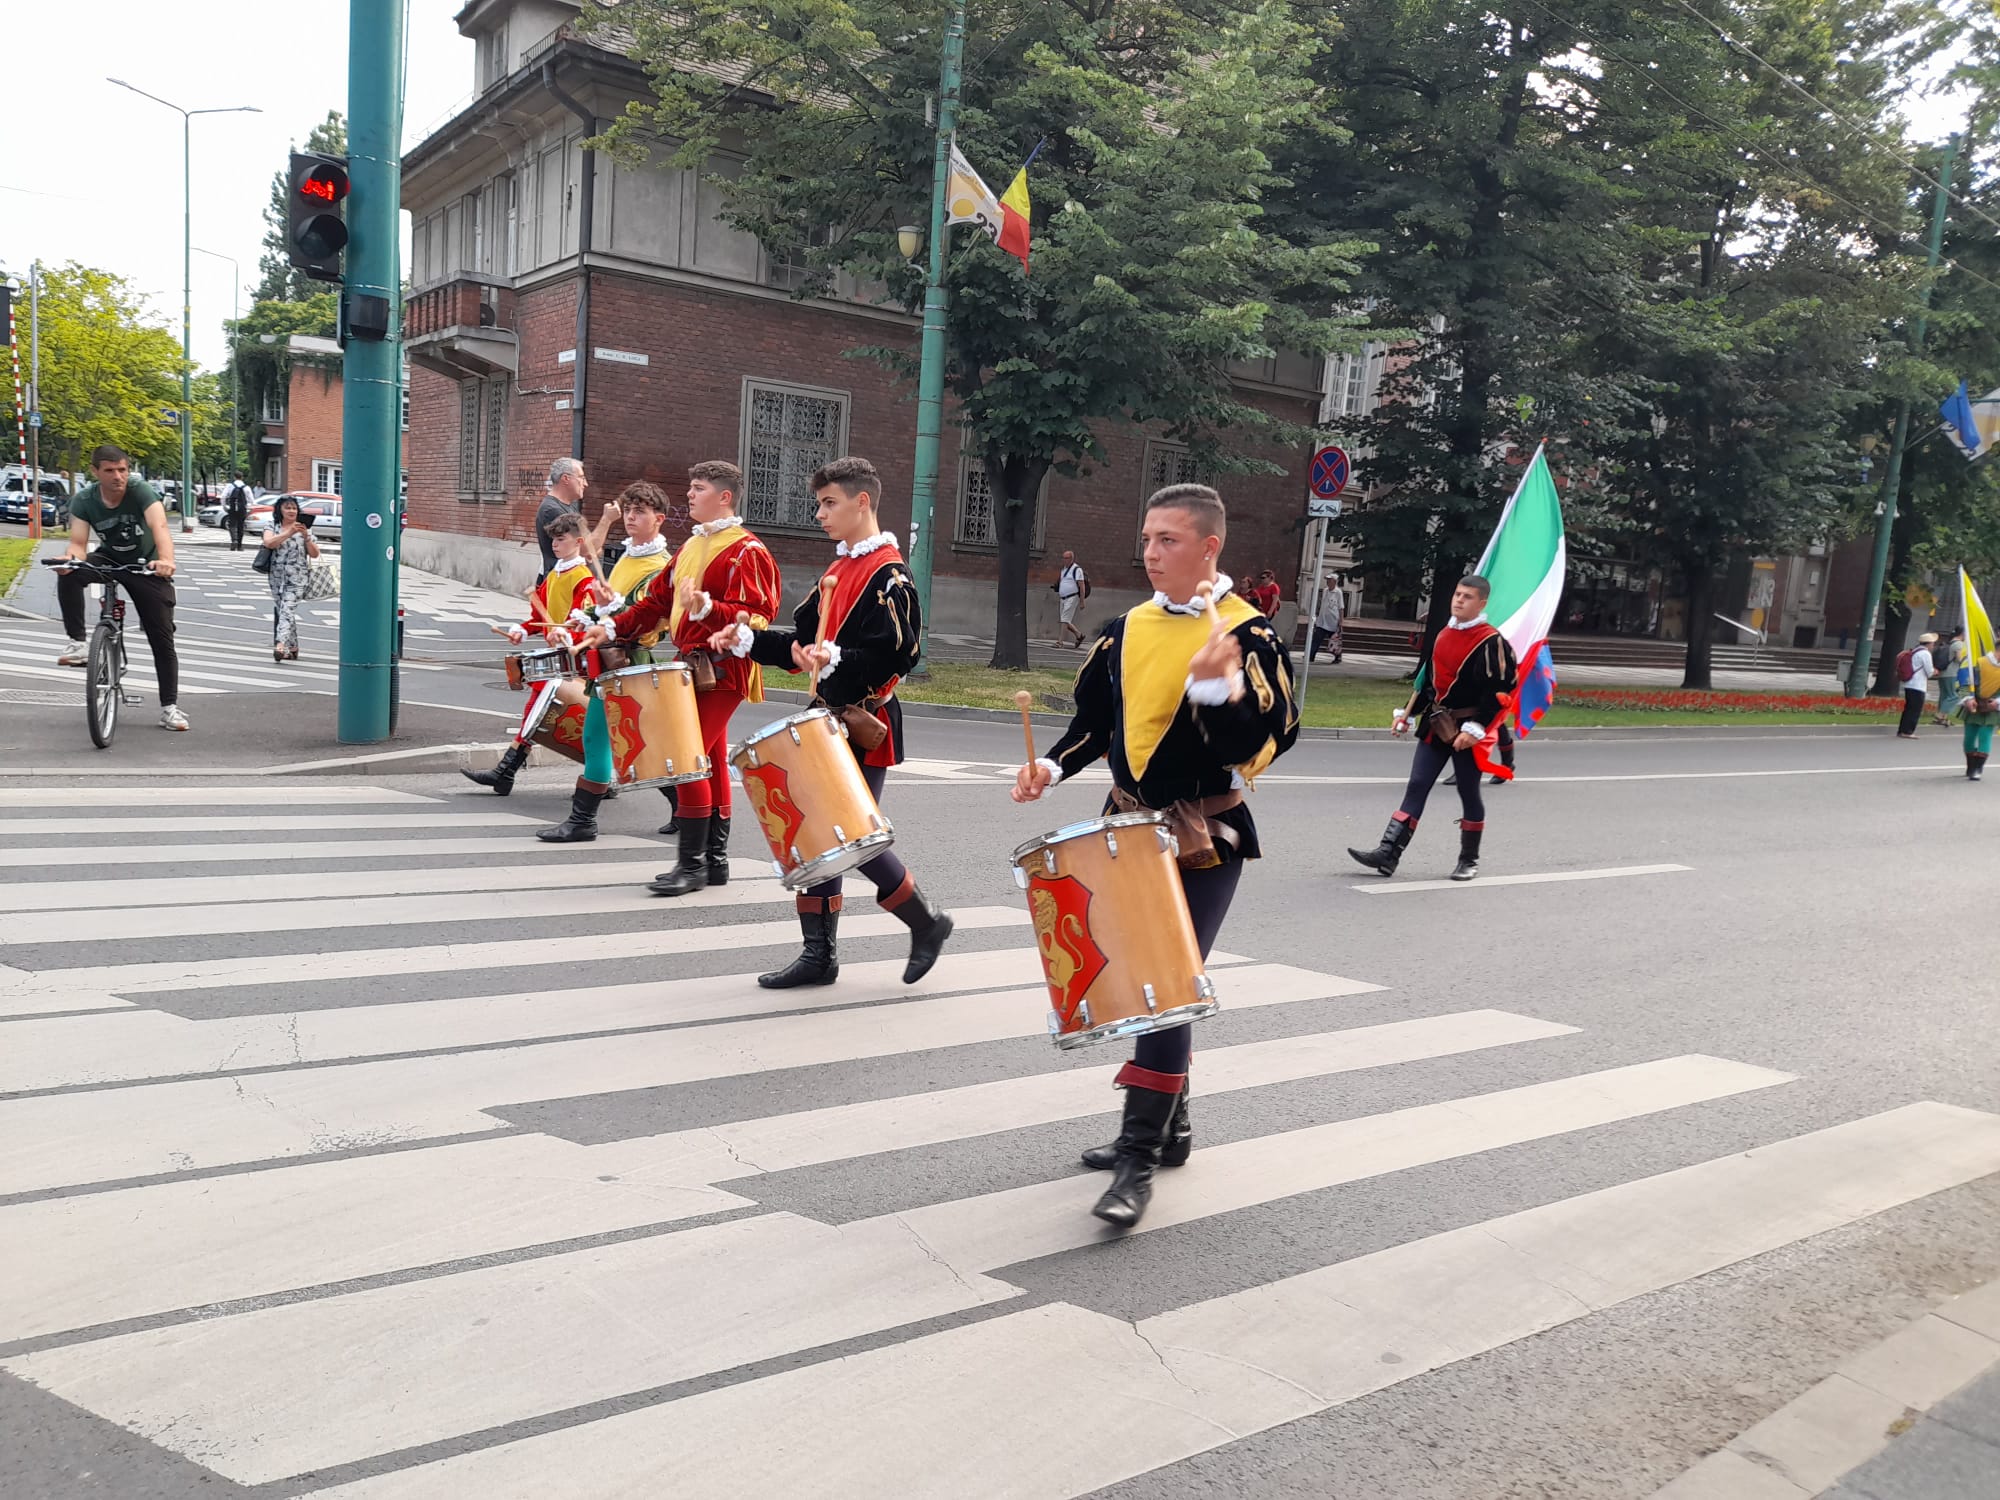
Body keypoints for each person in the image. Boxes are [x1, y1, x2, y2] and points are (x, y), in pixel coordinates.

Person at [1013, 482, 1298, 1229]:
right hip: (1128, 830)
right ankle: (1170, 1130)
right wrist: (1052, 766)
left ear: (1210, 549)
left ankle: (1137, 1154)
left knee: (1161, 987)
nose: (1150, 553)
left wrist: (1219, 693)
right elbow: (1094, 723)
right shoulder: (1124, 629)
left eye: (1168, 540)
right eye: (1146, 539)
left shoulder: (1247, 634)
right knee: (1153, 982)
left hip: (1206, 835)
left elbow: (1265, 742)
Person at [706, 455, 954, 988]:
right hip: (825, 722)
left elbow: (901, 652)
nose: (819, 514)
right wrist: (746, 640)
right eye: (819, 503)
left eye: (829, 503)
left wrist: (836, 657)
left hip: (865, 721)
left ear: (862, 502)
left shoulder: (889, 573)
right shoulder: (839, 568)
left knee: (847, 836)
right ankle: (820, 956)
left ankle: (926, 923)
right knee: (817, 836)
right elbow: (799, 644)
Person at [581, 461, 782, 889]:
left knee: (685, 758)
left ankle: (693, 865)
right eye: (691, 488)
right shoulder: (691, 548)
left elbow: (760, 614)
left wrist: (708, 609)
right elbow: (655, 603)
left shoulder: (748, 550)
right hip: (695, 662)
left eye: (698, 488)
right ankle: (714, 862)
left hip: (726, 666)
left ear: (724, 497)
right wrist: (613, 626)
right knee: (705, 760)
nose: (689, 495)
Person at [1348, 575, 1519, 882]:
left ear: (1481, 603)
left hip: (1467, 731)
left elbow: (1500, 691)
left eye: (1467, 596)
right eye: (1457, 593)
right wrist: (1407, 713)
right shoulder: (1444, 633)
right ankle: (1388, 854)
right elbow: (1428, 681)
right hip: (1436, 723)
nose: (1459, 600)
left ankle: (1469, 859)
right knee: (1417, 785)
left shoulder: (1491, 641)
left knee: (1468, 792)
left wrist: (1476, 728)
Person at [463, 514, 607, 798]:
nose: (555, 544)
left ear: (578, 542)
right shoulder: (555, 573)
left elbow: (584, 621)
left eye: (561, 539)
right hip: (558, 653)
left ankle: (598, 776)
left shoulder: (584, 578)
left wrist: (567, 636)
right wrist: (522, 631)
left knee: (552, 715)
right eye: (553, 538)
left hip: (573, 659)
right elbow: (538, 615)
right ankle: (506, 773)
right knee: (539, 712)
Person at [55, 445, 188, 732]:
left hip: (147, 565)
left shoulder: (140, 490)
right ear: (95, 472)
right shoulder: (85, 500)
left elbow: (160, 526)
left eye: (122, 470)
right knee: (69, 573)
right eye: (110, 471)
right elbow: (78, 543)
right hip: (109, 557)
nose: (118, 476)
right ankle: (78, 643)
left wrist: (166, 560)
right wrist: (70, 560)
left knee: (161, 637)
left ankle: (169, 708)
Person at [260, 495, 322, 663]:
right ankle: (293, 648)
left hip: (298, 577)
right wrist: (289, 532)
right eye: (287, 507)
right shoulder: (272, 526)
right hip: (276, 576)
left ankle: (280, 646)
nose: (291, 511)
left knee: (287, 609)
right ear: (280, 509)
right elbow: (269, 543)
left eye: (294, 508)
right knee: (284, 611)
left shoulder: (305, 529)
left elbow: (315, 554)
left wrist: (306, 536)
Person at [534, 456, 619, 574]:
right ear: (566, 478)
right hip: (562, 583)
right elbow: (587, 549)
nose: (586, 484)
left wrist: (591, 547)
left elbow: (592, 546)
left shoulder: (568, 506)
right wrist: (607, 519)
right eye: (581, 478)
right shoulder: (552, 510)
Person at [1958, 642, 1999, 782]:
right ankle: (1971, 765)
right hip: (1975, 703)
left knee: (1985, 736)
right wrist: (1968, 699)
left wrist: (1998, 702)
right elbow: (1966, 682)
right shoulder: (1979, 663)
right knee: (1969, 738)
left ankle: (1978, 768)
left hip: (1992, 707)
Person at [1897, 633, 1938, 739]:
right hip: (1918, 685)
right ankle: (1908, 731)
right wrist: (1934, 672)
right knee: (1915, 709)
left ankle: (1902, 730)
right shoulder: (1925, 654)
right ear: (1928, 644)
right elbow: (1929, 671)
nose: (1933, 645)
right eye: (1933, 643)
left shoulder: (1914, 651)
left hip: (1909, 683)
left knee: (1908, 708)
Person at [1054, 550, 1090, 648]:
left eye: (1066, 558)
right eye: (1063, 558)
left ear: (1071, 559)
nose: (1064, 560)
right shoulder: (1064, 570)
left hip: (1072, 597)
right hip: (1063, 598)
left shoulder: (1076, 569)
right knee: (1064, 620)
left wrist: (1082, 601)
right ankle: (1079, 635)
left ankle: (1060, 642)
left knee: (1064, 620)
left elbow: (1081, 586)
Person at [1935, 626, 1969, 726]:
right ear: (1962, 634)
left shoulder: (1949, 642)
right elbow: (1959, 659)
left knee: (1945, 696)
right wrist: (1966, 658)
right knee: (1954, 696)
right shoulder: (1959, 644)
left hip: (1943, 673)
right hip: (1951, 673)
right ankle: (1940, 715)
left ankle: (1943, 719)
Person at [1308, 574, 1342, 662]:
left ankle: (1337, 656)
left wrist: (1341, 621)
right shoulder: (1325, 591)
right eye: (1327, 580)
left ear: (1334, 582)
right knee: (1316, 639)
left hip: (1333, 621)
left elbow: (1341, 607)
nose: (1328, 582)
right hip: (1322, 621)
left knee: (1334, 641)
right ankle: (1311, 655)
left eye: (1329, 580)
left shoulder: (1338, 592)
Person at [223, 474, 251, 551]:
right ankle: (239, 545)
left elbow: (223, 496)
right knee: (241, 526)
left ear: (234, 477)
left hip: (232, 508)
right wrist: (247, 508)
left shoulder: (230, 486)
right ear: (242, 477)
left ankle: (234, 540)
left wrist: (224, 506)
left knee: (232, 524)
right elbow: (251, 500)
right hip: (242, 508)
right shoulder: (246, 487)